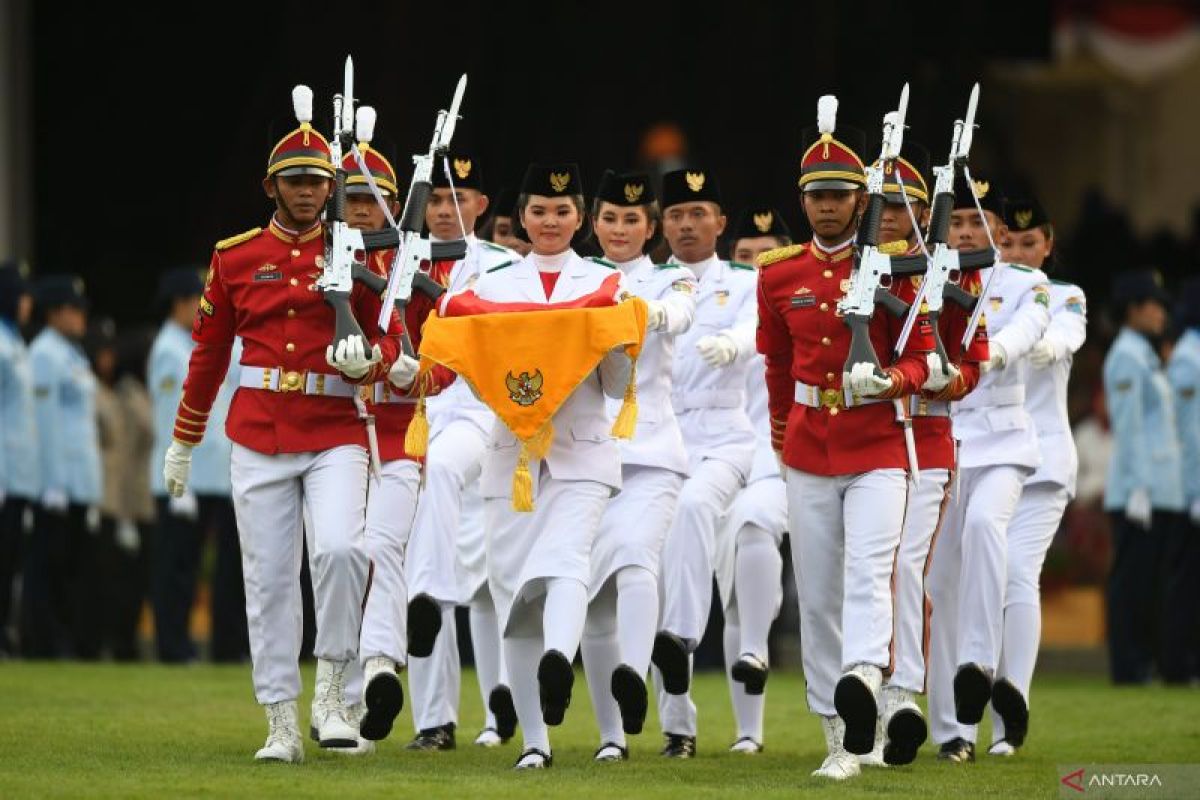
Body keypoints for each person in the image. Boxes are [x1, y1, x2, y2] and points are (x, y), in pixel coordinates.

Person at [160, 96, 409, 762]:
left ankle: (332, 694)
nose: (308, 191)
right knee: (267, 580)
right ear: (271, 186)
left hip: (335, 427)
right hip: (260, 433)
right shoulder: (236, 257)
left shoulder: (359, 253)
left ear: (332, 187)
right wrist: (184, 439)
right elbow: (209, 353)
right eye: (295, 180)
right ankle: (280, 720)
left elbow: (395, 339)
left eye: (318, 181)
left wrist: (373, 359)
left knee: (339, 553)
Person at [755, 97, 931, 780]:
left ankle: (862, 677)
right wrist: (779, 434)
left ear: (862, 199)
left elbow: (921, 352)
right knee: (819, 590)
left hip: (878, 442)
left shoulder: (893, 267)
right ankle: (840, 737)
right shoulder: (778, 272)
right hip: (807, 444)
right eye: (817, 196)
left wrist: (892, 380)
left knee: (869, 570)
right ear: (803, 201)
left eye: (840, 195)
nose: (828, 207)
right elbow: (774, 362)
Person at [465, 162, 633, 769]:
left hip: (582, 451)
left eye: (563, 211)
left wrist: (613, 336)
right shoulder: (495, 283)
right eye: (538, 210)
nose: (550, 222)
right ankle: (536, 743)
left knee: (566, 563)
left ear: (580, 217)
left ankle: (560, 661)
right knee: (514, 602)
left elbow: (617, 385)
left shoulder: (605, 281)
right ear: (522, 217)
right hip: (512, 456)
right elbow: (475, 372)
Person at [926, 177, 1051, 764]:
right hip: (943, 441)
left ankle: (980, 660)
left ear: (999, 232)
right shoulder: (925, 283)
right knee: (939, 582)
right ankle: (952, 731)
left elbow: (1029, 331)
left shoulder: (1028, 282)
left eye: (978, 224)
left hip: (1002, 440)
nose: (968, 233)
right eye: (957, 224)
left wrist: (994, 352)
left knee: (984, 528)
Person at [404, 151, 521, 751]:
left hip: (480, 414)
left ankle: (499, 702)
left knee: (475, 556)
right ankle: (433, 720)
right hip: (411, 412)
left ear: (480, 205)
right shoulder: (401, 259)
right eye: (438, 201)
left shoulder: (503, 265)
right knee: (433, 558)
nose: (446, 211)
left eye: (458, 199)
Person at [580, 170, 696, 762]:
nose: (619, 229)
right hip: (584, 453)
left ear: (651, 229)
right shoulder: (572, 279)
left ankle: (633, 667)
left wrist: (636, 312)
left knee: (633, 559)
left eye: (632, 220)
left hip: (650, 451)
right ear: (592, 221)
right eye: (609, 217)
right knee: (593, 601)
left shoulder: (671, 278)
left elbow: (677, 315)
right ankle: (611, 737)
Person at [878, 144, 989, 767]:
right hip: (863, 438)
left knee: (905, 569)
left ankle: (904, 699)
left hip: (925, 434)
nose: (891, 216)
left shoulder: (957, 272)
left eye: (904, 206)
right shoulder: (857, 266)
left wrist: (947, 379)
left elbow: (974, 360)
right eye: (883, 205)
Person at [651, 166, 758, 760]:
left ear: (720, 221)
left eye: (699, 214)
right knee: (661, 565)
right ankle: (678, 726)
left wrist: (735, 345)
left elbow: (756, 328)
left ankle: (684, 634)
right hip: (660, 433)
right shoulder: (647, 280)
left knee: (694, 507)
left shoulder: (743, 281)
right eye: (676, 215)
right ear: (661, 224)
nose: (687, 225)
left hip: (723, 432)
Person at [985, 195, 1086, 754]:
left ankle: (1011, 708)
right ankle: (963, 713)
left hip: (1043, 460)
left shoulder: (1065, 294)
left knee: (1019, 572)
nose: (1019, 253)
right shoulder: (984, 296)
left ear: (1048, 245)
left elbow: (1069, 333)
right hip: (986, 455)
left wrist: (1042, 343)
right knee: (980, 577)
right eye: (1009, 242)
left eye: (1030, 243)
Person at [715, 203, 794, 756]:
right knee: (734, 591)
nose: (756, 266)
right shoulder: (717, 307)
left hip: (779, 455)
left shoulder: (794, 303)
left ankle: (758, 647)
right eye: (744, 257)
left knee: (753, 525)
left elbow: (756, 337)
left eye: (767, 256)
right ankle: (749, 731)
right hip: (721, 457)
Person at [148, 267, 247, 664]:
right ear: (180, 303)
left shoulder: (203, 342)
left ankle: (227, 644)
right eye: (198, 301)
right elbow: (166, 416)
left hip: (217, 475)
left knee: (227, 567)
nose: (204, 308)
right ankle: (172, 647)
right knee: (177, 568)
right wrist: (180, 484)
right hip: (184, 479)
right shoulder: (169, 350)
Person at [1103, 269, 1184, 684]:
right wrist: (1137, 487)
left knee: (1150, 581)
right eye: (1153, 306)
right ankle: (1128, 665)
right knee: (1131, 582)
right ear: (1133, 310)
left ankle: (1142, 660)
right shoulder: (1127, 356)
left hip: (1158, 488)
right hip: (1139, 489)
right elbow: (1129, 425)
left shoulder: (1146, 355)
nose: (1160, 315)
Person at [24, 275, 102, 659]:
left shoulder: (73, 354)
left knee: (72, 566)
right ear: (54, 313)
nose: (81, 317)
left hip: (78, 479)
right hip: (58, 480)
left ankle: (63, 639)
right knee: (48, 565)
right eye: (74, 310)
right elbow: (46, 422)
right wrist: (51, 481)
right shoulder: (44, 354)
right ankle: (43, 641)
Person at [0, 261, 37, 656]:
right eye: (23, 296)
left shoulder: (15, 342)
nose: (28, 303)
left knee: (10, 560)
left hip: (18, 474)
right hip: (4, 472)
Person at [1167, 277, 1200, 683]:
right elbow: (1190, 431)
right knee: (1185, 580)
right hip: (1189, 486)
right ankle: (1178, 662)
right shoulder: (1189, 357)